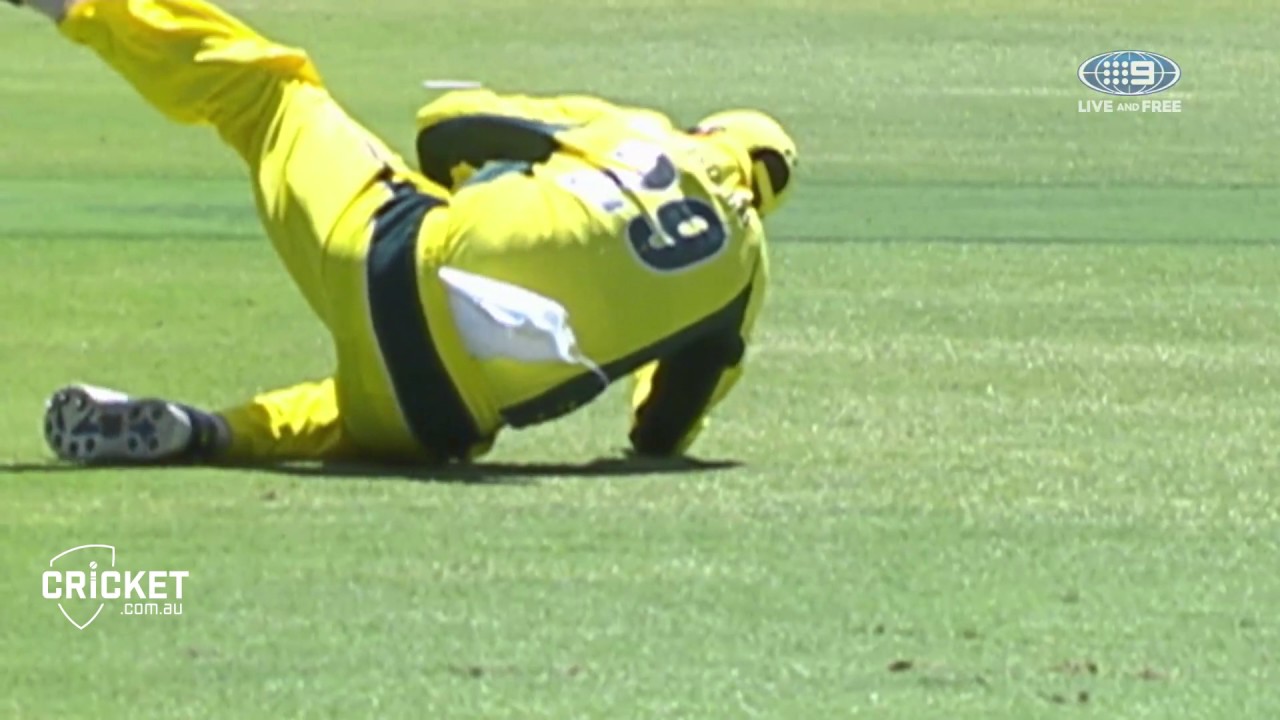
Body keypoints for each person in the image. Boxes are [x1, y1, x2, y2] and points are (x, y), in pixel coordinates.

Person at [14, 0, 798, 465]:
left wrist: (471, 183)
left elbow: (447, 124)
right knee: (352, 412)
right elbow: (659, 431)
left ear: (711, 131)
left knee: (268, 94)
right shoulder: (744, 281)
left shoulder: (640, 129)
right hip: (439, 415)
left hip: (400, 258)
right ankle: (209, 433)